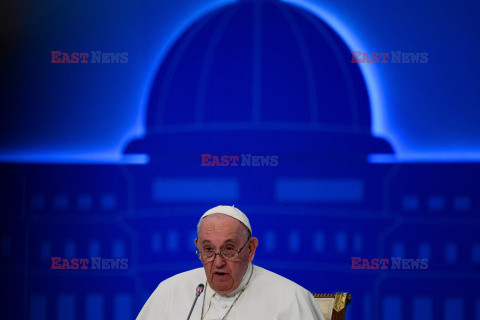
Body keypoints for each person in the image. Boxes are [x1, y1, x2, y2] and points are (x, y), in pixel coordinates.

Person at [136, 205, 325, 320]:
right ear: (198, 247)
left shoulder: (291, 299)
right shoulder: (169, 291)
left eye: (228, 249)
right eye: (208, 250)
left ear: (250, 249)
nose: (218, 262)